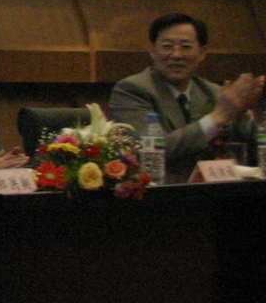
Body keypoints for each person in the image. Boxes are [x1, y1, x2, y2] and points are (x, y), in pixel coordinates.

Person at [107, 13, 262, 182]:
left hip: (214, 189)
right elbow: (151, 150)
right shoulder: (131, 90)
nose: (176, 55)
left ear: (202, 53)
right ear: (152, 51)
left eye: (186, 47)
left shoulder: (213, 92)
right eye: (167, 46)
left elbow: (251, 148)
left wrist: (245, 113)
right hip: (160, 192)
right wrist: (217, 118)